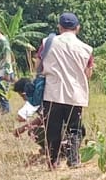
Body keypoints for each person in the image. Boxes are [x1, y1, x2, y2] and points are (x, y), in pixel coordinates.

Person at [39, 12, 93, 169]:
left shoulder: (47, 43)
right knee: (74, 129)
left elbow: (39, 66)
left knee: (52, 129)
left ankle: (53, 162)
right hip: (75, 95)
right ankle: (73, 160)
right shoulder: (85, 49)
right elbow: (88, 73)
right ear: (78, 28)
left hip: (52, 93)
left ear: (59, 27)